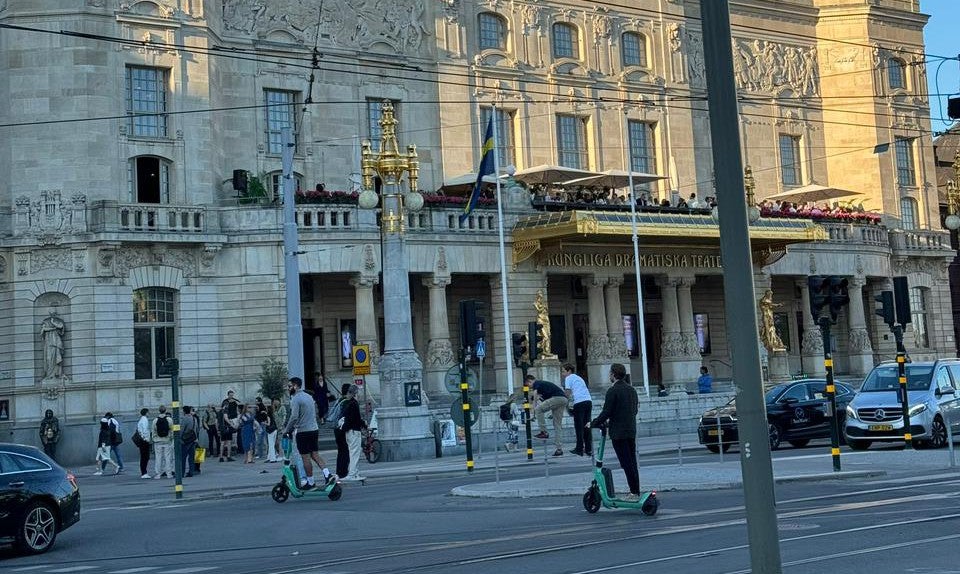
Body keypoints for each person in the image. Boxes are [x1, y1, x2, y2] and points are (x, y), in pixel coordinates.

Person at [588, 363, 641, 500]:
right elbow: (634, 410)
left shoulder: (613, 391)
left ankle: (634, 492)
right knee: (632, 462)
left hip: (618, 432)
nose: (609, 376)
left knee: (626, 463)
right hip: (630, 430)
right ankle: (636, 490)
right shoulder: (631, 390)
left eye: (610, 373)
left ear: (613, 374)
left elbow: (607, 411)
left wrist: (593, 423)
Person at [282, 377, 335, 490]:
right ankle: (327, 474)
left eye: (290, 386)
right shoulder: (309, 397)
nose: (288, 388)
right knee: (315, 454)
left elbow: (294, 417)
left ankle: (310, 483)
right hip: (314, 429)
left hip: (303, 431)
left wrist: (287, 430)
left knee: (305, 457)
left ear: (296, 386)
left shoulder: (296, 399)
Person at [517, 374, 568, 457]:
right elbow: (545, 401)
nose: (530, 387)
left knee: (538, 409)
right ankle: (559, 449)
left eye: (528, 385)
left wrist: (533, 411)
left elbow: (536, 396)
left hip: (557, 398)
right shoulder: (543, 387)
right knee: (557, 425)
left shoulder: (537, 383)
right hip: (563, 399)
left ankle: (544, 432)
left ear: (530, 381)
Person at [562, 364, 592, 457]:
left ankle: (579, 448)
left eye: (563, 371)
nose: (562, 374)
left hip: (579, 402)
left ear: (569, 371)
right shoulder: (579, 378)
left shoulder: (568, 378)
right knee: (587, 425)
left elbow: (567, 393)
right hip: (588, 401)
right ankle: (588, 448)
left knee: (579, 426)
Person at [340, 384, 368, 481]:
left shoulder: (347, 403)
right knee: (354, 453)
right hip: (354, 431)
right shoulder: (354, 403)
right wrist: (364, 425)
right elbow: (355, 419)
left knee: (353, 452)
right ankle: (352, 474)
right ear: (355, 393)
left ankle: (355, 473)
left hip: (349, 431)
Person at [40, 310, 65, 380]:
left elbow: (61, 326)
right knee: (48, 358)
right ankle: (49, 375)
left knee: (57, 357)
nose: (52, 315)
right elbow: (43, 330)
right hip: (49, 342)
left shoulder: (59, 321)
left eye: (54, 313)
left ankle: (58, 373)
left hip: (56, 342)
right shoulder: (45, 321)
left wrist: (53, 322)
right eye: (51, 313)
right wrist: (53, 328)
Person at [332, 384, 350, 480]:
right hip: (343, 429)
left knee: (340, 451)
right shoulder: (347, 402)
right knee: (345, 451)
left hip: (336, 429)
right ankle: (343, 472)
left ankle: (339, 472)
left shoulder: (338, 401)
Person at [152, 406, 175, 478]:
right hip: (167, 440)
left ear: (159, 411)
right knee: (168, 458)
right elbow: (172, 430)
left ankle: (158, 474)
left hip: (158, 441)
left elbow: (153, 431)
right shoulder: (169, 420)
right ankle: (169, 473)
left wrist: (154, 439)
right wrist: (171, 438)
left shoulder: (155, 420)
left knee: (158, 458)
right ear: (165, 411)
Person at [181, 406, 199, 477]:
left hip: (186, 440)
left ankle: (181, 473)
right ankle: (191, 471)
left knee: (183, 457)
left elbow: (182, 430)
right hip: (193, 439)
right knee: (191, 457)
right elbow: (197, 429)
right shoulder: (194, 418)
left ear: (184, 411)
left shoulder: (184, 419)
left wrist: (180, 438)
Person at [135, 407, 152, 478]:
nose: (149, 414)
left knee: (143, 457)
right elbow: (145, 431)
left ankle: (144, 472)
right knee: (145, 457)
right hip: (144, 441)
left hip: (142, 440)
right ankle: (144, 472)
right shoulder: (145, 420)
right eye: (148, 412)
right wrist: (147, 439)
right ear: (146, 413)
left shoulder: (141, 420)